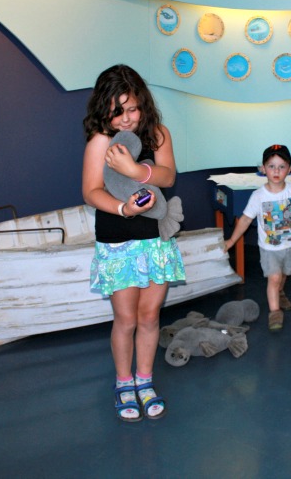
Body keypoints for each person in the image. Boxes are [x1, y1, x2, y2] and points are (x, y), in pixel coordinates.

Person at [82, 64, 185, 422]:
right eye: (116, 111)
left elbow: (168, 177)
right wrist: (123, 208)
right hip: (116, 240)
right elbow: (91, 190)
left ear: (143, 103)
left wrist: (134, 171)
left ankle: (145, 381)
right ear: (103, 110)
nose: (126, 119)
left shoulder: (157, 134)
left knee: (149, 315)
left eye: (132, 109)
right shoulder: (100, 141)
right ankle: (124, 383)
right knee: (125, 319)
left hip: (155, 239)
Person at [224, 144, 291, 331]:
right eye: (271, 166)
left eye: (282, 166)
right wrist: (231, 241)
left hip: (290, 245)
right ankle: (275, 313)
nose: (276, 171)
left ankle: (280, 291)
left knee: (283, 275)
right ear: (263, 169)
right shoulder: (258, 196)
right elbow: (244, 220)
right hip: (269, 249)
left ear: (289, 170)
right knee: (273, 278)